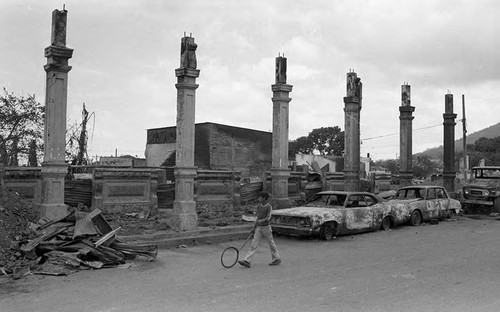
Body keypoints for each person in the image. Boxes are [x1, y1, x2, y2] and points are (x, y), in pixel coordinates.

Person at [238, 191, 281, 268]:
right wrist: (253, 228)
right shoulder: (259, 207)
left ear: (264, 198)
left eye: (260, 197)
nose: (258, 199)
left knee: (271, 243)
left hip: (266, 228)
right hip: (258, 228)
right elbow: (257, 218)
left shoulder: (269, 207)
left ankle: (276, 258)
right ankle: (247, 261)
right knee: (253, 244)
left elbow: (268, 218)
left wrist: (260, 221)